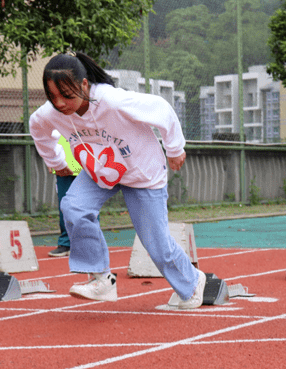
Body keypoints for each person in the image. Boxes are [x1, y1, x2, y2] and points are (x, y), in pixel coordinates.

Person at [29, 52, 207, 308]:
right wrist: (58, 163)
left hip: (140, 171)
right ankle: (101, 278)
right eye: (52, 96)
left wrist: (175, 148)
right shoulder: (50, 113)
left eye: (66, 95)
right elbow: (38, 130)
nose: (60, 104)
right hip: (100, 171)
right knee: (73, 206)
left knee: (155, 244)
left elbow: (162, 109)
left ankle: (192, 283)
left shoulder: (112, 101)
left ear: (84, 85)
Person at [48, 134, 81, 257]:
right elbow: (50, 137)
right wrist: (50, 159)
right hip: (63, 165)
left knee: (88, 206)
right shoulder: (56, 115)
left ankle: (89, 243)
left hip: (87, 165)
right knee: (64, 205)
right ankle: (66, 243)